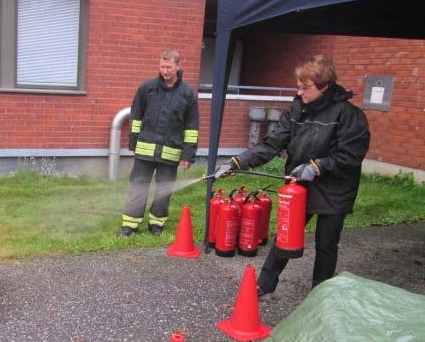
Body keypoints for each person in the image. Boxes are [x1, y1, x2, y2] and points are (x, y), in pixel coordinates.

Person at [215, 54, 370, 295]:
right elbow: (272, 143)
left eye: (305, 88)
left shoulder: (348, 115)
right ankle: (263, 285)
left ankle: (320, 294)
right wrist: (238, 162)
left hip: (335, 191)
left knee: (326, 244)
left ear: (324, 87)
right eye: (298, 87)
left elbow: (351, 155)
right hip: (300, 187)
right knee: (286, 234)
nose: (299, 93)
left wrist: (318, 166)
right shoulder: (298, 109)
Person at [120, 48, 200, 236]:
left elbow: (191, 128)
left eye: (169, 67)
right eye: (162, 66)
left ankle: (156, 224)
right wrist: (134, 144)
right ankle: (130, 225)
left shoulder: (188, 94)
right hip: (145, 150)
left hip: (170, 152)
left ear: (178, 66)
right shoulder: (147, 88)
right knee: (138, 186)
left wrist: (188, 155)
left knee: (164, 190)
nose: (165, 71)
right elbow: (136, 117)